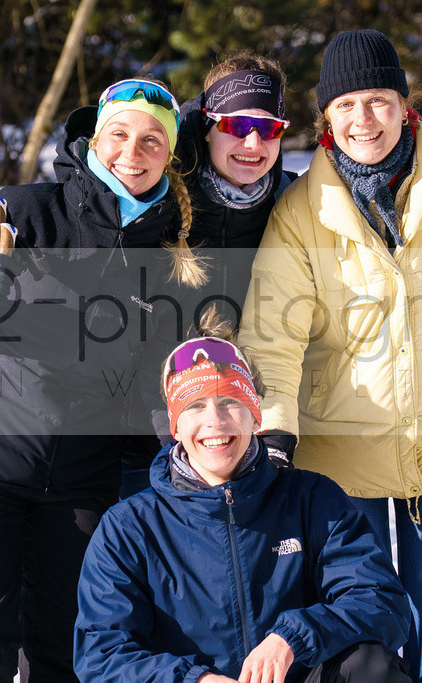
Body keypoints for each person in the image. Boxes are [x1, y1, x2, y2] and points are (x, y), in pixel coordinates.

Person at [237, 29, 422, 682]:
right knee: (359, 623)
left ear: (407, 106)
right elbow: (272, 335)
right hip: (337, 453)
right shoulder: (300, 211)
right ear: (326, 118)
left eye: (376, 100)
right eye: (345, 106)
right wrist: (275, 437)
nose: (361, 119)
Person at [0, 78, 200, 682]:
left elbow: (157, 386)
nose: (132, 151)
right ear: (95, 139)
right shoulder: (24, 212)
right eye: (119, 134)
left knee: (64, 653)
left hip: (83, 485)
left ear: (169, 155)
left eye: (151, 141)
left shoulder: (173, 254)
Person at [74, 321, 414, 683]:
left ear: (255, 415)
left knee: (370, 665)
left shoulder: (313, 499)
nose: (214, 422)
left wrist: (293, 637)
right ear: (174, 426)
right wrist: (195, 680)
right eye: (195, 406)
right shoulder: (129, 527)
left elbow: (381, 602)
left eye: (229, 402)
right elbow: (102, 653)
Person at [119, 53, 297, 498]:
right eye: (237, 126)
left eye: (270, 128)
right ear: (208, 126)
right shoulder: (156, 197)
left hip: (251, 434)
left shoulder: (294, 204)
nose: (254, 143)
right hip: (145, 437)